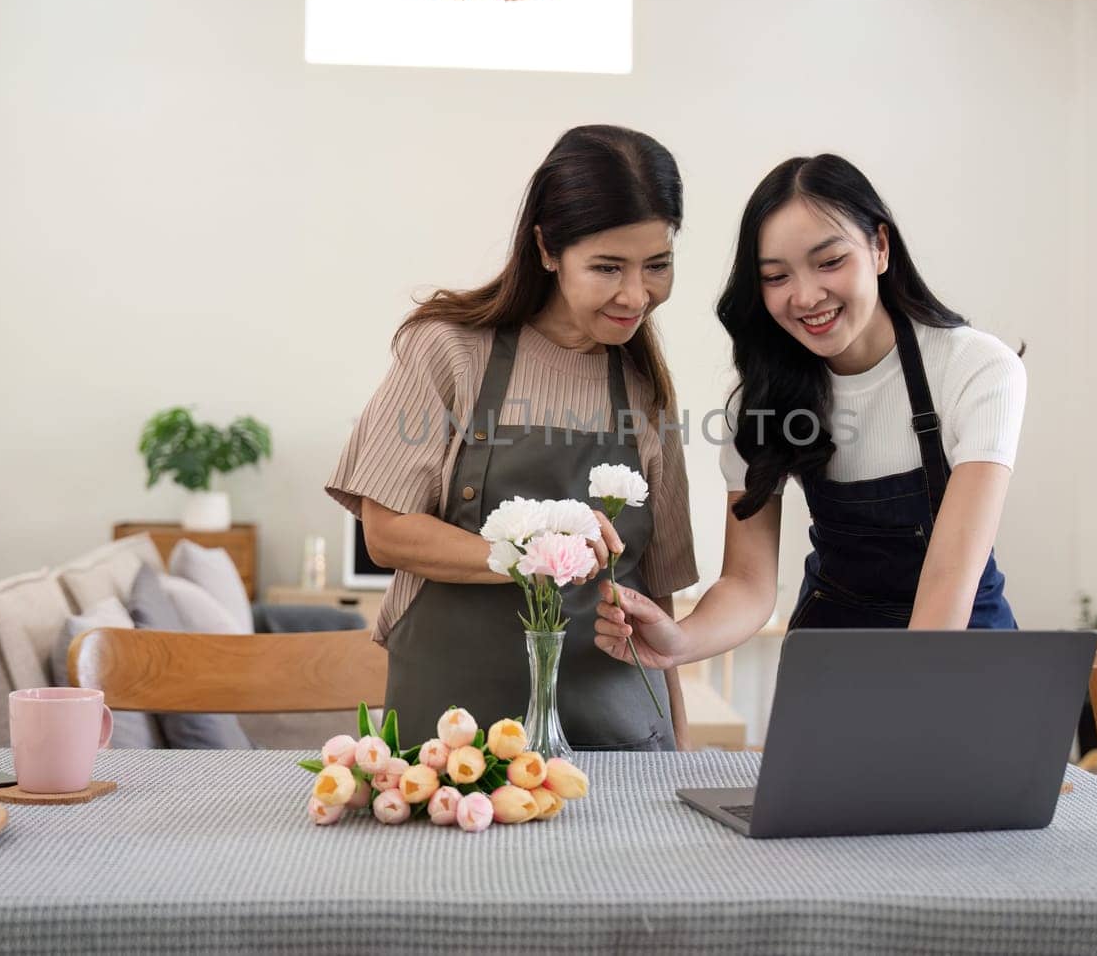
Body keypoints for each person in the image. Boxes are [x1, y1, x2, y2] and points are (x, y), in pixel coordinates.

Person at [327, 125, 698, 749]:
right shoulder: (447, 350)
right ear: (548, 249)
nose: (637, 294)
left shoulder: (645, 387)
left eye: (656, 265)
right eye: (607, 266)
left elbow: (653, 594)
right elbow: (387, 532)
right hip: (454, 738)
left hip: (614, 731)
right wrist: (536, 555)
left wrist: (678, 745)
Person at [594, 153, 1026, 671]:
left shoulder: (976, 369)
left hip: (962, 656)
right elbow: (748, 583)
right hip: (833, 660)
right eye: (776, 277)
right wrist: (680, 641)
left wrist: (910, 709)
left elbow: (949, 577)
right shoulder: (761, 401)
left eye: (829, 262)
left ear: (880, 248)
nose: (806, 296)